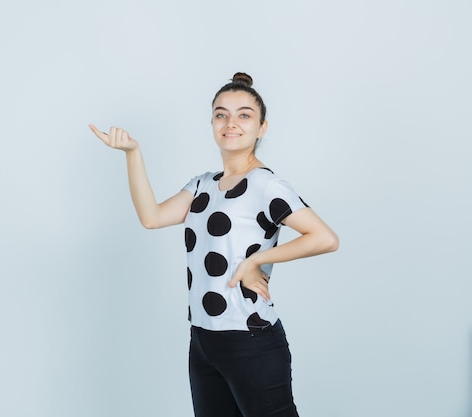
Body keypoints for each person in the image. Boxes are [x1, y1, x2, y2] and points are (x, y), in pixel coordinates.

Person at [89, 72, 339, 417]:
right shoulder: (202, 185)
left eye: (244, 115)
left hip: (251, 341)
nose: (231, 123)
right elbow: (151, 217)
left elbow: (325, 238)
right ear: (212, 123)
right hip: (204, 341)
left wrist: (256, 261)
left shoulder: (267, 186)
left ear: (262, 127)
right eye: (221, 114)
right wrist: (133, 152)